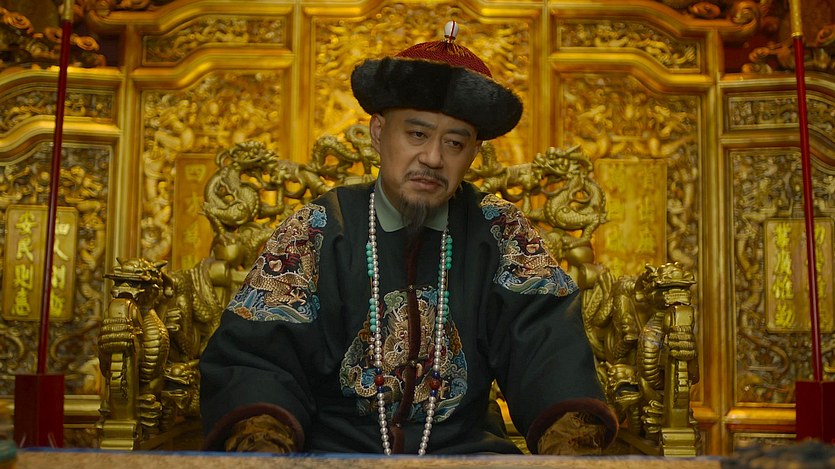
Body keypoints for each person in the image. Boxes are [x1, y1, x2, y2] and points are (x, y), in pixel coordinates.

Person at [199, 21, 618, 455]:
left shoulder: (500, 231)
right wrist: (265, 447)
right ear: (379, 132)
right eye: (417, 134)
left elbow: (549, 352)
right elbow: (258, 361)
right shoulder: (318, 228)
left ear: (474, 154)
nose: (433, 157)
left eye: (454, 143)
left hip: (465, 454)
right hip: (335, 455)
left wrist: (569, 449)